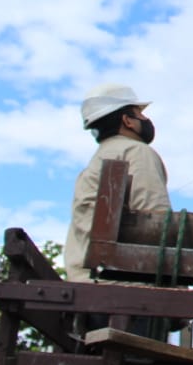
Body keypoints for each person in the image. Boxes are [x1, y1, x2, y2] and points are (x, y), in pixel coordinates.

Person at [63, 83, 171, 282]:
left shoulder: (96, 162)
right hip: (121, 283)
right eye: (140, 114)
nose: (146, 120)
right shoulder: (136, 152)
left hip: (84, 280)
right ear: (127, 121)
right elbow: (157, 224)